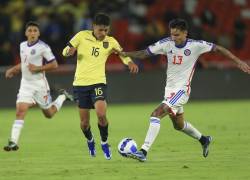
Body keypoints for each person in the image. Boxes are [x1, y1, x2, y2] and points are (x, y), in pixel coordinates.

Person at [116, 18, 250, 162]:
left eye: (177, 35)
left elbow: (219, 48)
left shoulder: (196, 45)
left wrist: (238, 61)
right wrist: (126, 54)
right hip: (170, 91)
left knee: (156, 114)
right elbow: (144, 53)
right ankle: (204, 139)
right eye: (172, 34)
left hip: (182, 91)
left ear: (185, 33)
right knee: (178, 125)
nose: (174, 38)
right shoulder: (166, 44)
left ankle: (143, 151)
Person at [62, 13, 138, 160]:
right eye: (100, 30)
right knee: (84, 123)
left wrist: (129, 62)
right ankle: (90, 141)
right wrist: (68, 52)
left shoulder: (111, 42)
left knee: (101, 115)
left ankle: (104, 142)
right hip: (80, 84)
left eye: (106, 30)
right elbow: (65, 51)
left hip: (98, 82)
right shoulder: (81, 36)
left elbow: (122, 54)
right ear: (93, 27)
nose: (103, 33)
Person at [3, 21, 73, 152]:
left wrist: (38, 68)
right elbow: (24, 64)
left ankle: (62, 97)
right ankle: (13, 142)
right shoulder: (22, 45)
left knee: (49, 114)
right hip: (26, 84)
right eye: (30, 30)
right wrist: (13, 69)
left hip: (40, 85)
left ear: (39, 33)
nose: (32, 33)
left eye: (35, 30)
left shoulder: (43, 47)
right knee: (20, 110)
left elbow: (54, 65)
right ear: (25, 33)